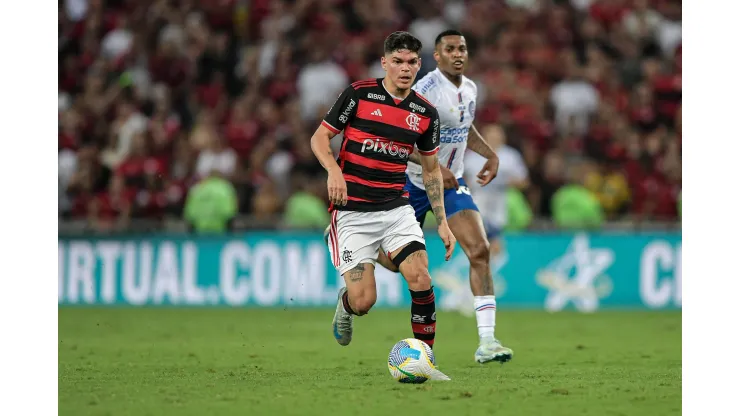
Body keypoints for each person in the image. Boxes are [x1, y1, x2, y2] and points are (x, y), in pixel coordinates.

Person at [368, 30, 514, 364]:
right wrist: (433, 165)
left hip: (452, 183)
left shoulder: (471, 88)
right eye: (450, 49)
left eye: (462, 47)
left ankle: (487, 342)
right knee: (394, 263)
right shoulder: (424, 91)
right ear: (437, 56)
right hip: (412, 183)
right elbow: (398, 142)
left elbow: (464, 128)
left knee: (480, 249)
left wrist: (489, 153)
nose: (458, 53)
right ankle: (368, 247)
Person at [310, 32, 456, 351]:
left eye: (412, 62)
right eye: (398, 62)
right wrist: (334, 171)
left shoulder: (425, 114)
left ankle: (425, 357)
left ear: (420, 64)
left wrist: (442, 222)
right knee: (364, 301)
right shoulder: (359, 95)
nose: (405, 68)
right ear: (384, 63)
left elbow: (430, 169)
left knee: (420, 276)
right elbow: (319, 138)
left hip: (395, 208)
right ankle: (345, 304)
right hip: (352, 211)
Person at [464, 124, 529, 262]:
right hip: (478, 198)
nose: (494, 138)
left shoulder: (511, 156)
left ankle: (500, 260)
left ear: (503, 137)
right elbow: (463, 181)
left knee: (499, 234)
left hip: (503, 198)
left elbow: (524, 182)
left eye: (497, 135)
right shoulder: (472, 156)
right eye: (490, 135)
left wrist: (506, 181)